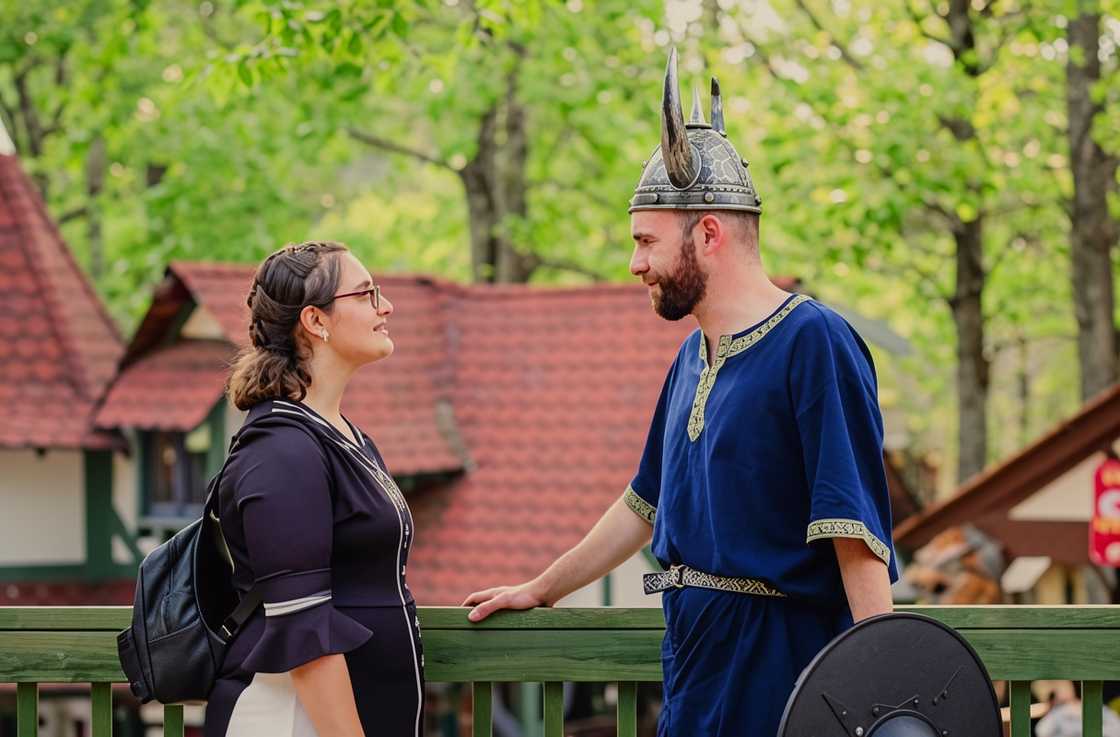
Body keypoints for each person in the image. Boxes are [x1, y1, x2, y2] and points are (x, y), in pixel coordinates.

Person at [462, 49, 897, 736]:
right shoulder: (691, 357)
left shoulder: (814, 341)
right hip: (695, 665)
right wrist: (542, 588)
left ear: (709, 233)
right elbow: (641, 506)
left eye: (647, 241)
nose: (635, 263)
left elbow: (855, 531)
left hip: (783, 668)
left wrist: (885, 699)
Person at [204, 241, 424, 737]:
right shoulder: (280, 450)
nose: (386, 306)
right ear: (316, 320)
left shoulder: (344, 437)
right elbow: (302, 629)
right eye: (366, 294)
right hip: (290, 721)